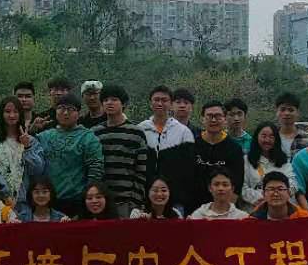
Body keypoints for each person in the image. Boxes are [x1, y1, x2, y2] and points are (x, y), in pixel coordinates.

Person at [34, 94, 105, 217]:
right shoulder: (44, 136)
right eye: (61, 108)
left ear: (78, 113)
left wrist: (88, 198)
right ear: (56, 111)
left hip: (76, 200)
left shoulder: (88, 137)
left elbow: (96, 170)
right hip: (47, 200)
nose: (65, 113)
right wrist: (32, 130)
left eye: (71, 109)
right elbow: (27, 151)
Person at [93, 85, 150, 217]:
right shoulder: (95, 133)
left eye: (114, 99)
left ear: (123, 104)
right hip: (100, 202)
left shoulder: (136, 133)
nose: (109, 103)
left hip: (126, 202)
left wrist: (135, 203)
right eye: (105, 100)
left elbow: (141, 171)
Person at [137, 85, 195, 213]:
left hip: (175, 199)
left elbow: (189, 169)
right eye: (156, 100)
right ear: (150, 103)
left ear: (171, 104)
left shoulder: (183, 132)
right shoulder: (140, 129)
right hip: (145, 197)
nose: (160, 103)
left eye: (164, 100)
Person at [0, 96, 43, 214]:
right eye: (7, 111)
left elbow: (38, 170)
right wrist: (5, 194)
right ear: (1, 114)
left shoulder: (31, 141)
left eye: (15, 112)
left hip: (26, 202)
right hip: (0, 202)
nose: (12, 115)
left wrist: (27, 147)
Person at [193, 101, 245, 209]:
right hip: (195, 208)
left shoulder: (234, 149)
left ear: (225, 119)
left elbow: (237, 184)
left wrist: (226, 210)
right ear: (202, 119)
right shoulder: (192, 145)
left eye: (218, 116)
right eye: (209, 116)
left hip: (225, 208)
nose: (213, 120)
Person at [242, 123, 295, 216]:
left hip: (283, 211)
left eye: (271, 136)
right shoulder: (246, 161)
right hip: (254, 211)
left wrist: (279, 195)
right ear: (257, 137)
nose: (267, 140)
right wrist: (266, 197)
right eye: (263, 136)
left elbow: (293, 183)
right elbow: (242, 187)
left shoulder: (284, 161)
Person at [274, 93, 308, 157]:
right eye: (282, 109)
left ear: (297, 112)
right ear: (276, 111)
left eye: (291, 110)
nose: (286, 113)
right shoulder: (270, 137)